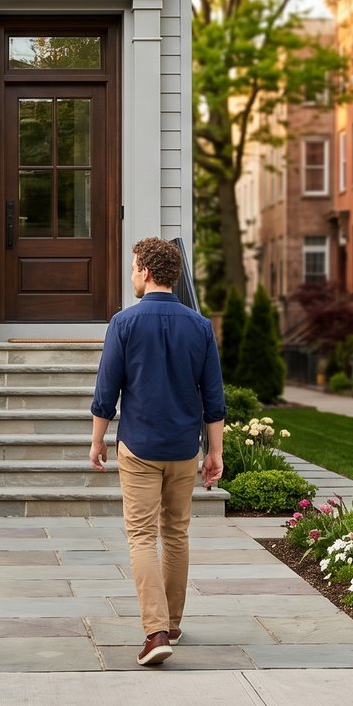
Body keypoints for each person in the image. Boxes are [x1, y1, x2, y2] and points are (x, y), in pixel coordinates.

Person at [89, 236, 225, 667]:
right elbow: (214, 398)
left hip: (140, 447)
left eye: (133, 267)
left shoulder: (123, 323)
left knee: (142, 536)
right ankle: (173, 624)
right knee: (177, 534)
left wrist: (97, 440)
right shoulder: (199, 326)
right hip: (184, 449)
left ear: (146, 272)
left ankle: (155, 632)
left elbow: (106, 391)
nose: (131, 274)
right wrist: (215, 452)